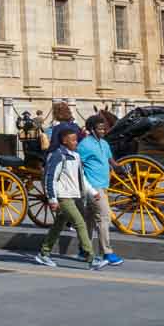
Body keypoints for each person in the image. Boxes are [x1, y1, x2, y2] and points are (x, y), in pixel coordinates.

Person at [34, 123, 104, 269]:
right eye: (73, 140)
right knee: (79, 222)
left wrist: (92, 192)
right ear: (64, 141)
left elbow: (81, 177)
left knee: (59, 225)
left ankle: (44, 253)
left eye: (76, 140)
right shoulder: (58, 156)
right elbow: (50, 178)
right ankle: (91, 257)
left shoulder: (76, 156)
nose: (76, 142)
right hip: (62, 196)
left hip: (73, 195)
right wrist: (52, 199)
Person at [78, 114, 124, 265]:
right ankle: (107, 252)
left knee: (90, 219)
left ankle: (84, 250)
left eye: (104, 128)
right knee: (104, 216)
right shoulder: (84, 145)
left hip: (104, 186)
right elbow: (78, 166)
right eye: (100, 128)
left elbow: (110, 160)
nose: (103, 131)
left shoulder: (104, 143)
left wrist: (120, 168)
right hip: (93, 187)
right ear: (91, 129)